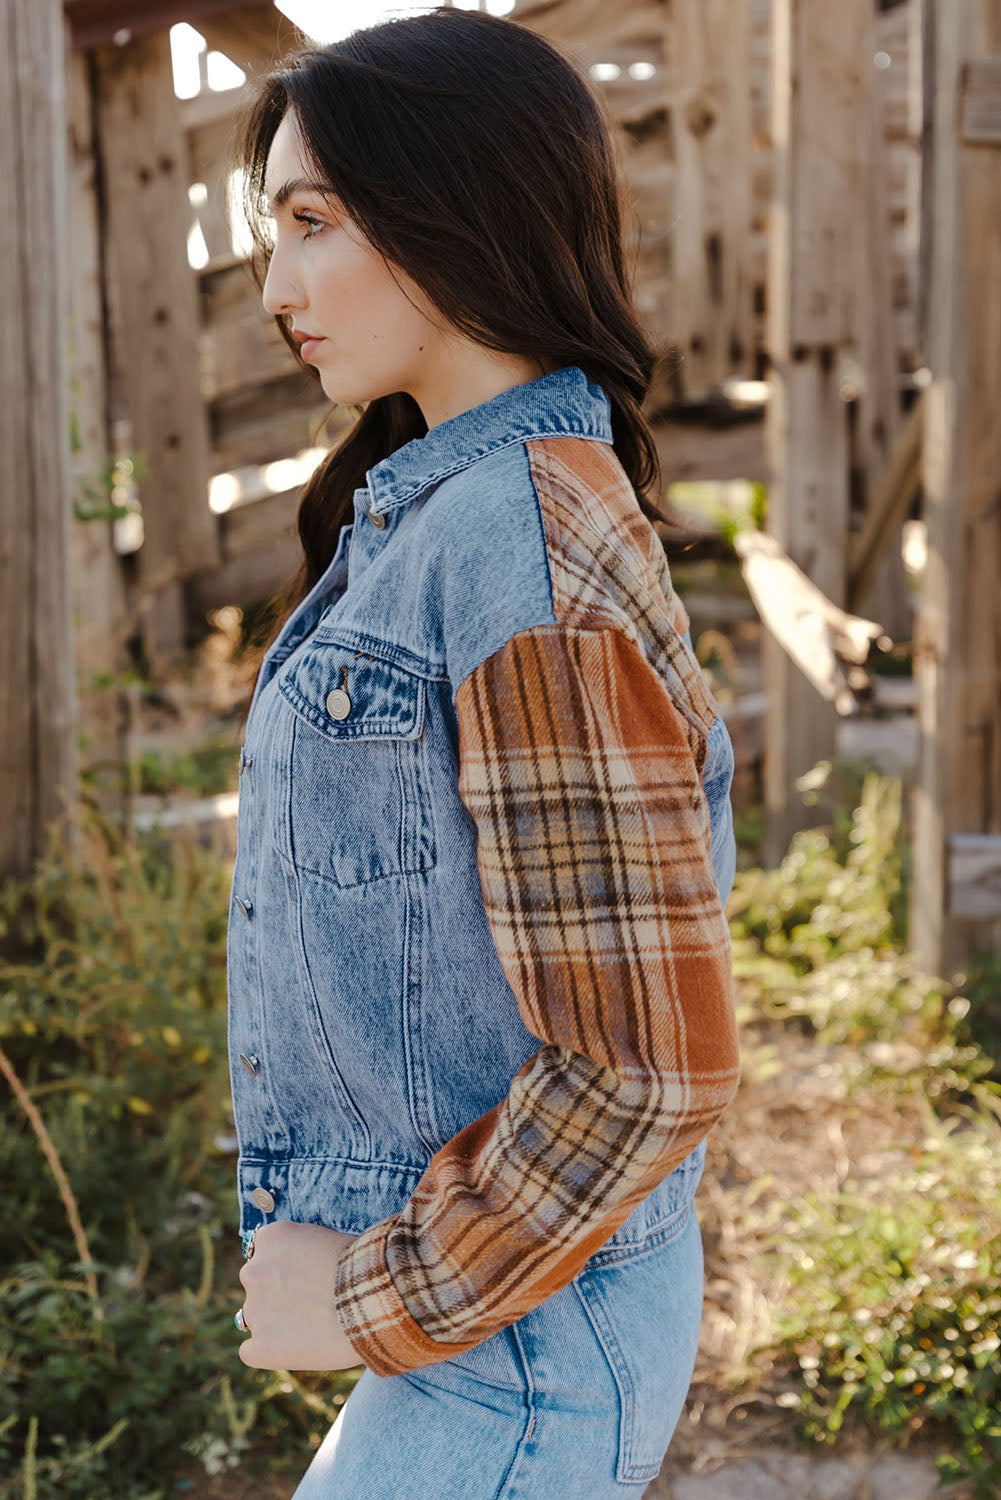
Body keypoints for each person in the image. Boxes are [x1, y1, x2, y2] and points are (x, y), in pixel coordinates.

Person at [224, 7, 741, 1496]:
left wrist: (371, 1296)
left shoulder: (514, 541)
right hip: (516, 1330)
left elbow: (643, 1067)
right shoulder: (451, 509)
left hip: (515, 1356)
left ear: (455, 210)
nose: (276, 285)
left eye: (313, 222)